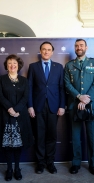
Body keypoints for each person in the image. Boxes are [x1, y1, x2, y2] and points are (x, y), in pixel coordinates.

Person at [64, 39, 94, 175]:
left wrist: (86, 99)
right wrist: (79, 97)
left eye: (81, 45)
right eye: (76, 46)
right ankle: (76, 163)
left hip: (91, 106)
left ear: (86, 47)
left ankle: (93, 164)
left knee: (92, 136)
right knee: (75, 136)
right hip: (75, 106)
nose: (79, 48)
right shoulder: (69, 65)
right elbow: (67, 84)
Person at [27, 41, 65, 174]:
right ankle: (40, 163)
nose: (46, 52)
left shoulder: (59, 67)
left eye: (49, 50)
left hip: (54, 107)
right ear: (40, 51)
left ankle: (50, 162)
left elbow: (62, 88)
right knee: (39, 136)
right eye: (44, 49)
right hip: (38, 106)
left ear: (52, 52)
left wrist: (62, 105)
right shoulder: (33, 67)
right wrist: (30, 106)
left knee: (52, 136)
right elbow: (30, 87)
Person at [0, 54, 33, 181]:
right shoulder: (0, 80)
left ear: (18, 65)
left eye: (14, 63)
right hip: (5, 116)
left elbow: (25, 97)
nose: (12, 65)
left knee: (18, 144)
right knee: (7, 145)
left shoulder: (24, 80)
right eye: (10, 63)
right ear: (6, 65)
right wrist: (10, 109)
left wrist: (16, 110)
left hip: (20, 117)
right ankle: (9, 169)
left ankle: (17, 168)